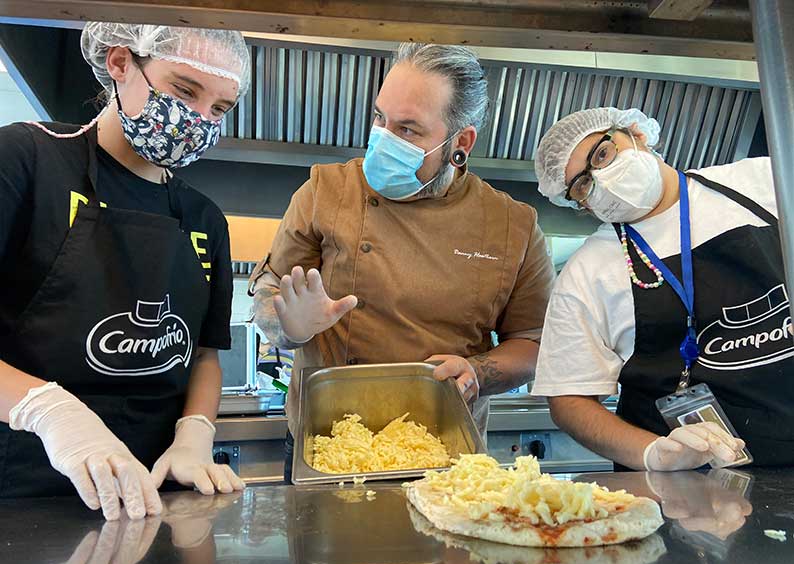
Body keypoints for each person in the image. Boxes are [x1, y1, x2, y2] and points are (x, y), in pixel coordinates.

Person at [248, 43, 555, 481]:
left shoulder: (513, 226)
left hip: (444, 456)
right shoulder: (325, 191)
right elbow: (269, 289)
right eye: (380, 119)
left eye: (408, 130)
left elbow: (534, 342)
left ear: (460, 143)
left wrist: (477, 373)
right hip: (326, 449)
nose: (384, 139)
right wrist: (289, 327)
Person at [0, 23, 250, 520]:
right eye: (185, 90)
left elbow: (203, 355)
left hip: (158, 493)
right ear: (119, 64)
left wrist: (195, 433)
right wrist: (51, 413)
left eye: (219, 108)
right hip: (23, 489)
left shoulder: (203, 219)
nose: (199, 118)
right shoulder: (26, 160)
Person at [530, 106, 793, 470]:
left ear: (637, 134)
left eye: (602, 154)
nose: (601, 179)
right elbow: (569, 401)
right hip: (689, 491)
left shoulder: (763, 181)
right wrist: (653, 454)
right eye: (583, 185)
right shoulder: (588, 272)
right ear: (583, 206)